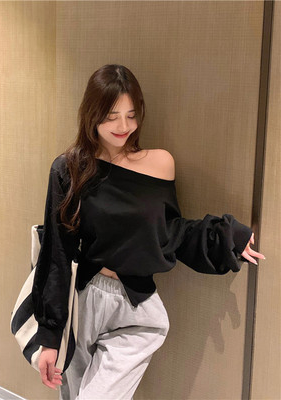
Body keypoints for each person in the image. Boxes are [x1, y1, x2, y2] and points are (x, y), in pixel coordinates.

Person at [31, 64, 266, 400]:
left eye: (131, 115)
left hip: (135, 307)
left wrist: (226, 238)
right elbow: (57, 253)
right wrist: (50, 335)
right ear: (91, 115)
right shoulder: (69, 169)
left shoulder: (159, 163)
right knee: (73, 394)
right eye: (111, 116)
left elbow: (170, 232)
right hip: (83, 300)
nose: (123, 126)